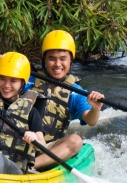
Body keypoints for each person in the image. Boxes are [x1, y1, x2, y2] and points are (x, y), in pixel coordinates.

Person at [25, 30, 104, 170]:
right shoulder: (26, 80)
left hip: (48, 149)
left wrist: (95, 108)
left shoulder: (76, 92)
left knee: (76, 141)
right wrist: (4, 69)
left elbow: (91, 121)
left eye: (63, 58)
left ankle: (30, 166)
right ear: (44, 60)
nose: (57, 64)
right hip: (19, 139)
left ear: (70, 61)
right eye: (52, 58)